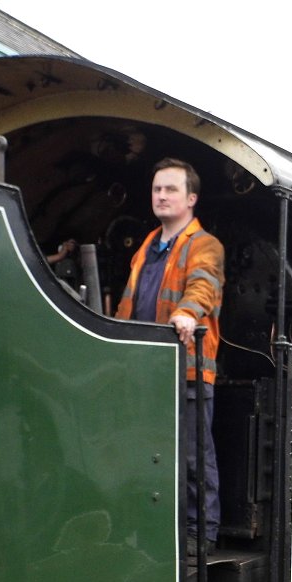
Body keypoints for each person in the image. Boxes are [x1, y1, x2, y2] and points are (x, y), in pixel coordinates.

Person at [115, 158, 224, 560]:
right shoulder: (146, 246)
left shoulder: (204, 245)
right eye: (157, 189)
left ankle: (202, 534)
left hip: (189, 368)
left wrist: (186, 312)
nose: (161, 196)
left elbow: (204, 284)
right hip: (147, 371)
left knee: (194, 455)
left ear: (191, 198)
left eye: (171, 190)